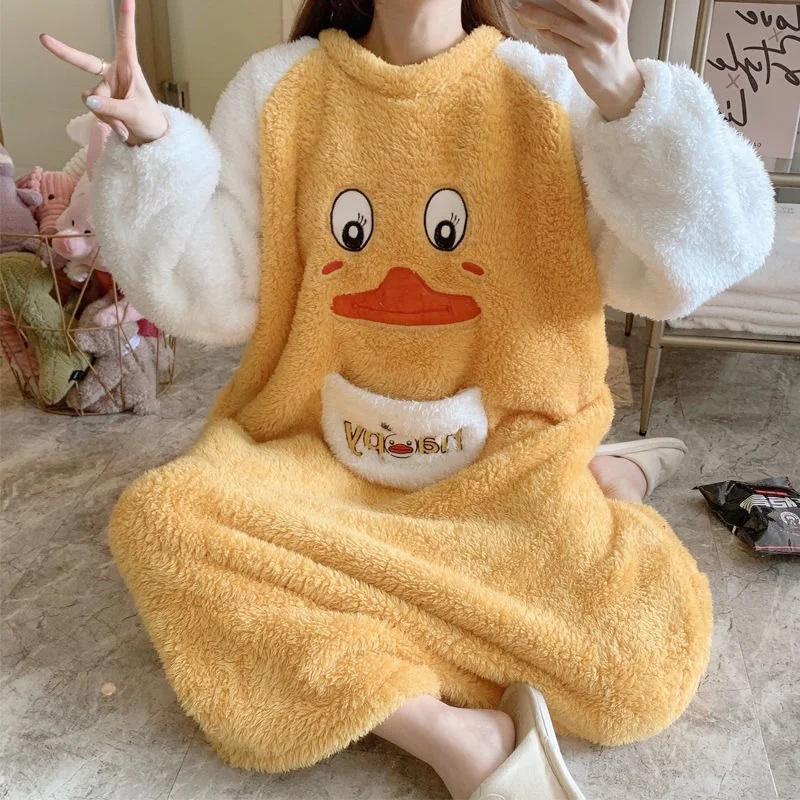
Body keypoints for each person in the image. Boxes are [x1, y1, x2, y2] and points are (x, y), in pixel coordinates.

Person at [41, 1, 775, 798]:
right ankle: (445, 729)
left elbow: (699, 263)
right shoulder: (280, 90)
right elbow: (215, 296)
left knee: (637, 672)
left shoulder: (545, 88)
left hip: (506, 472)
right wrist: (152, 147)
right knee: (161, 521)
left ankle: (594, 482)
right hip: (321, 463)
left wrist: (631, 101)